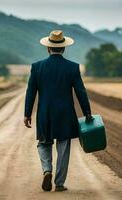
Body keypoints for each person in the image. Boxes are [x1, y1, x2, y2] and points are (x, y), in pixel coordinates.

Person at [24, 30, 93, 192]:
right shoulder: (73, 67)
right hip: (65, 114)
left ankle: (47, 169)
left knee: (44, 143)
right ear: (63, 48)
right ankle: (59, 183)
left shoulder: (37, 67)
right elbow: (81, 92)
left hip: (44, 113)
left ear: (48, 48)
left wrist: (27, 113)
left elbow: (30, 91)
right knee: (63, 147)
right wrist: (87, 112)